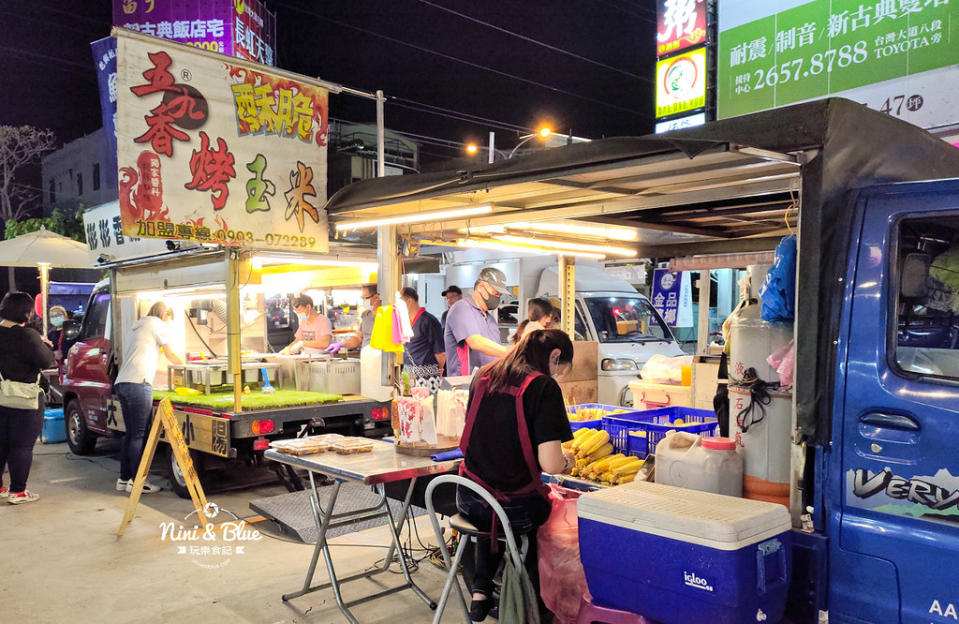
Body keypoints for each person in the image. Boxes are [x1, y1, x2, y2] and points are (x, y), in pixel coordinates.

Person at [457, 329, 575, 621]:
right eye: (560, 371)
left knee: (493, 499)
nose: (557, 377)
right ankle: (536, 604)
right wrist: (566, 461)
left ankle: (482, 587)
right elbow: (550, 465)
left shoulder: (485, 375)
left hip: (467, 497)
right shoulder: (543, 387)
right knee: (543, 516)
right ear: (555, 356)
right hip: (514, 508)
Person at [114, 302, 184, 493]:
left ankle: (124, 479)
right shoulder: (156, 324)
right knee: (138, 435)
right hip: (138, 384)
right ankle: (138, 482)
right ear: (164, 314)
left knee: (130, 434)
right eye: (169, 318)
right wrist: (186, 363)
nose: (169, 322)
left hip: (123, 383)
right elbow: (170, 354)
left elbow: (146, 358)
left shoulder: (139, 326)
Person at [0, 292, 55, 504]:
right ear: (25, 312)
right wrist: (46, 345)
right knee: (21, 446)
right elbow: (45, 361)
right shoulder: (28, 335)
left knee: (2, 443)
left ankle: (1, 487)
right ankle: (18, 491)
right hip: (25, 398)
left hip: (1, 396)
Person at [444, 267, 511, 377]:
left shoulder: (490, 319)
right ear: (481, 287)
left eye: (500, 295)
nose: (497, 297)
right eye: (495, 293)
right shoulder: (461, 308)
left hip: (489, 383)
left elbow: (495, 353)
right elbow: (476, 342)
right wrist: (509, 352)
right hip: (465, 385)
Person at [399, 287, 446, 391]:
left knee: (427, 405)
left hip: (427, 377)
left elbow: (441, 353)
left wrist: (440, 369)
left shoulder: (429, 320)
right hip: (407, 374)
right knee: (407, 405)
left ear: (409, 301)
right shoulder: (405, 322)